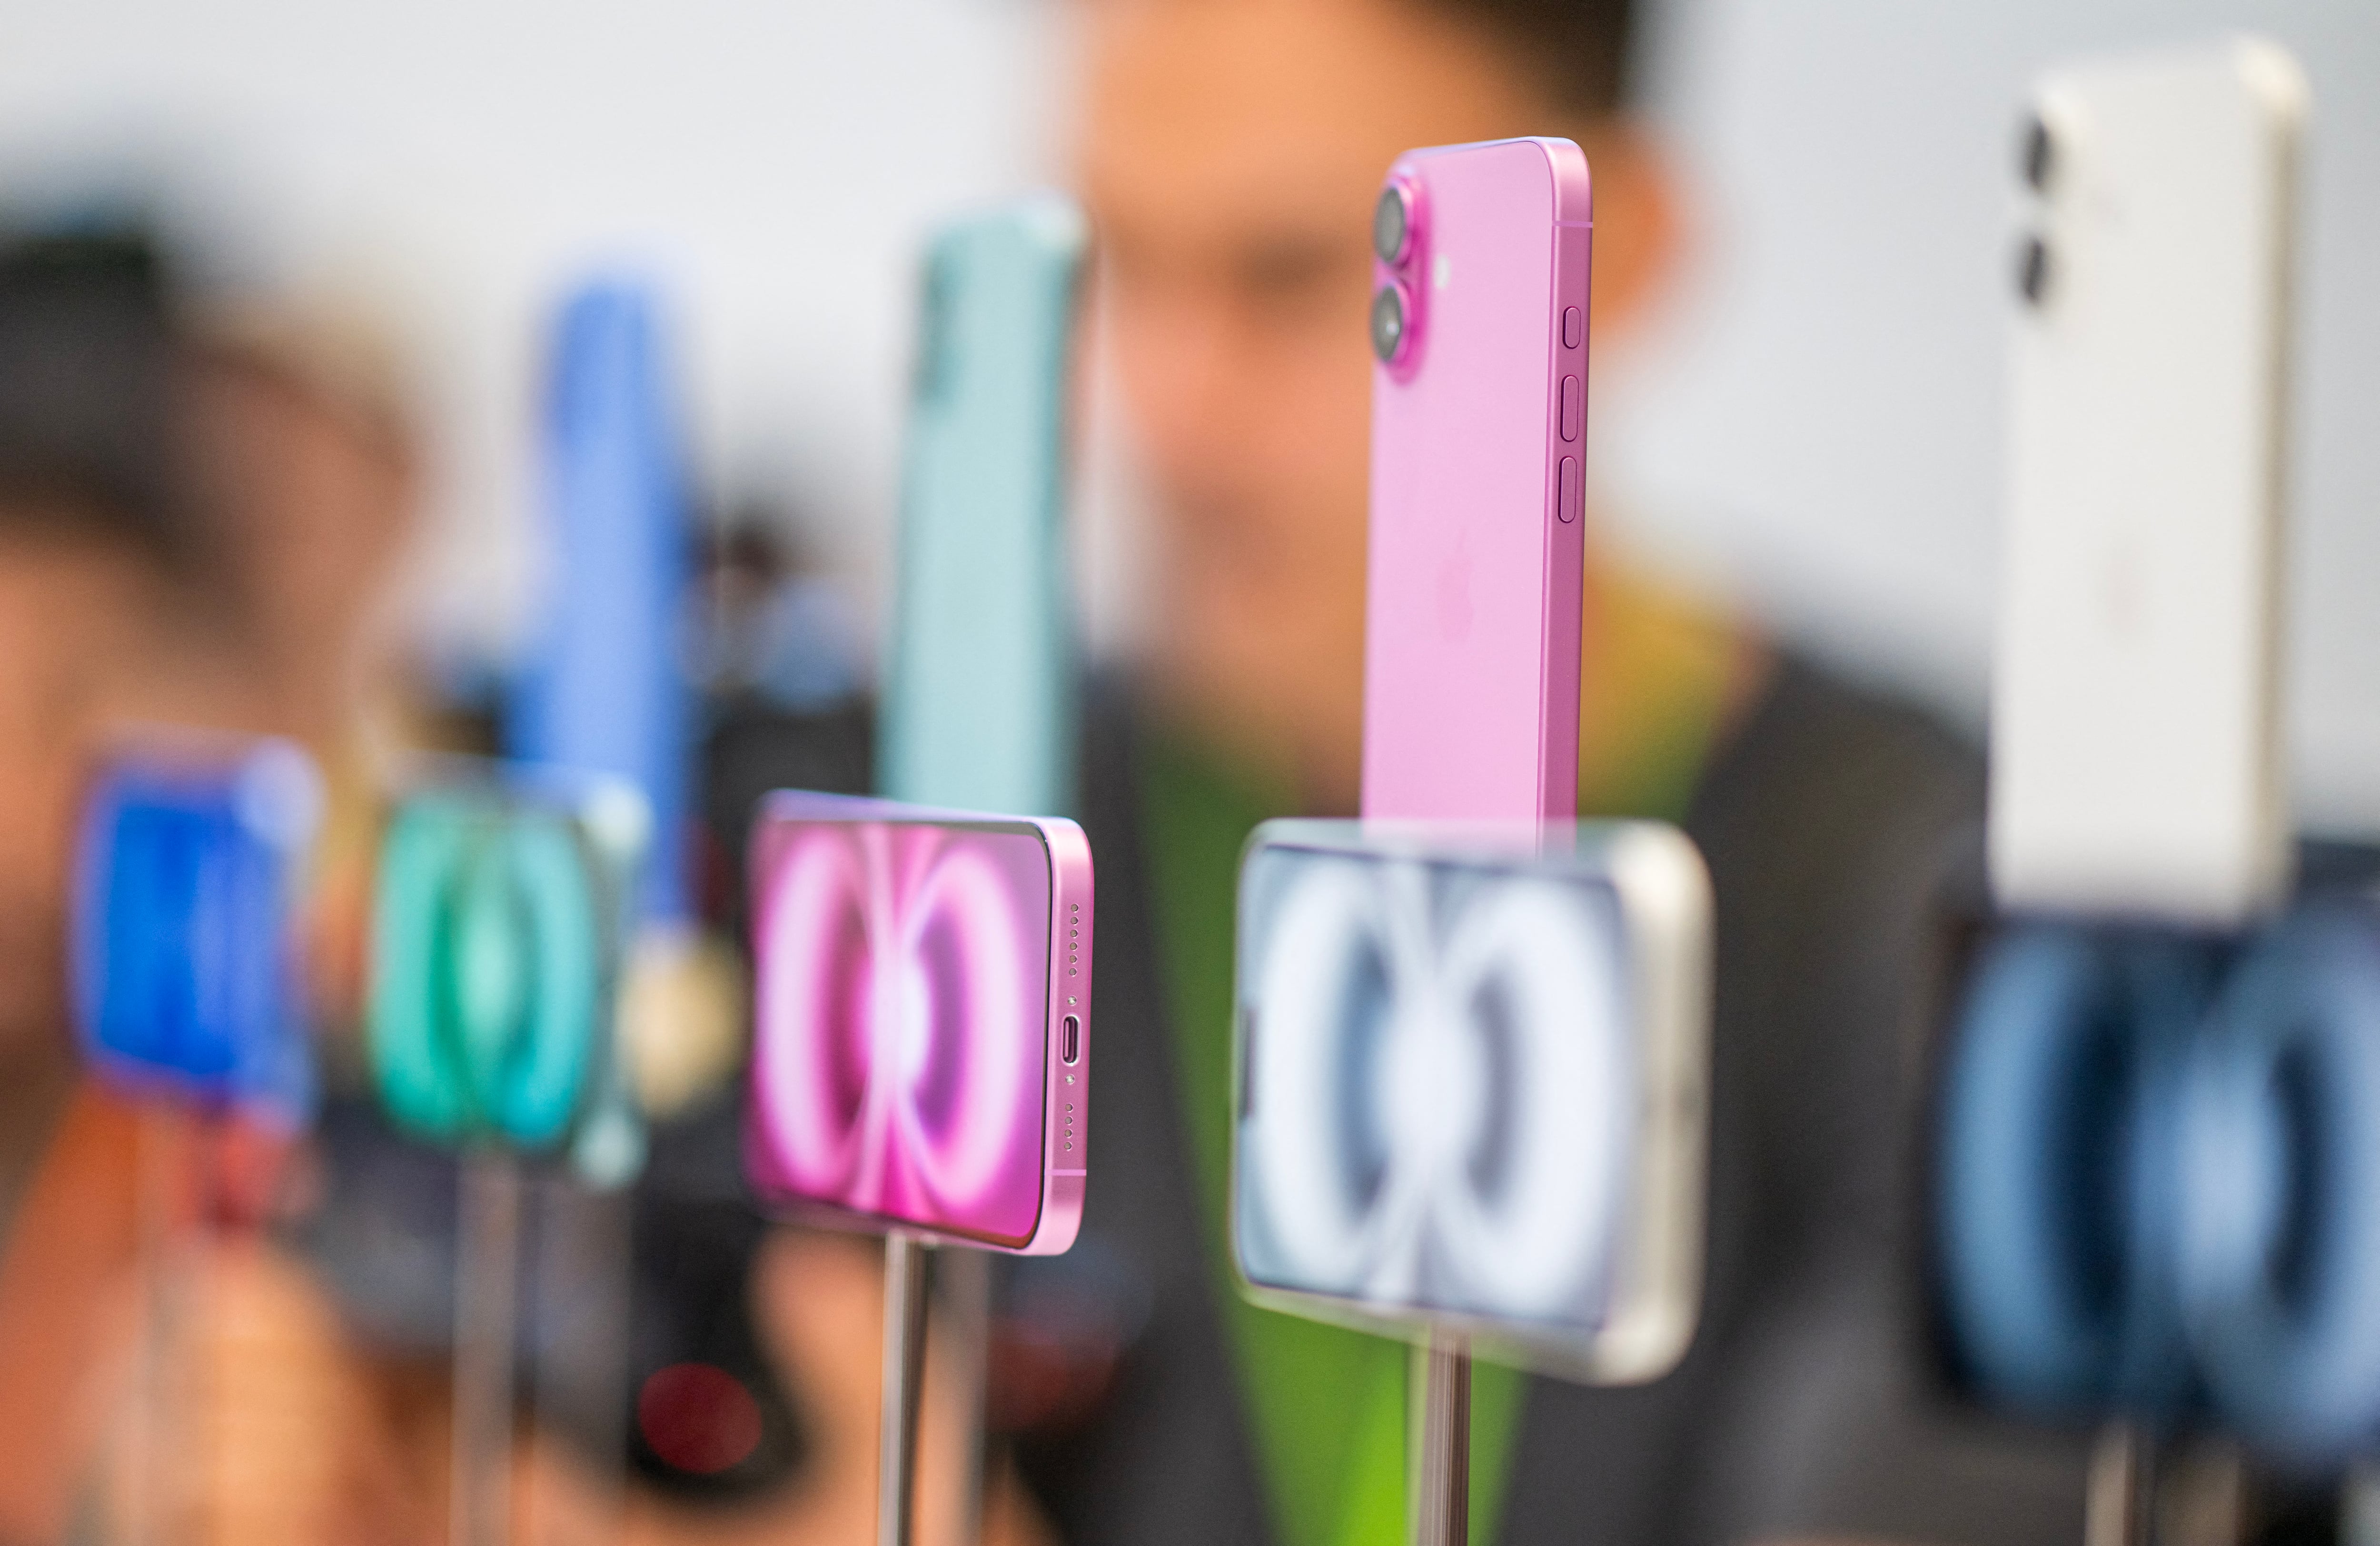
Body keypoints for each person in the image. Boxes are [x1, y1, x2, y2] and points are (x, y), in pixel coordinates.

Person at [1012, 0, 2095, 1542]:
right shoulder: (1008, 831)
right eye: (1113, 260)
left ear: (1621, 255)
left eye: (1302, 276)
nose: (1163, 407)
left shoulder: (1948, 910)